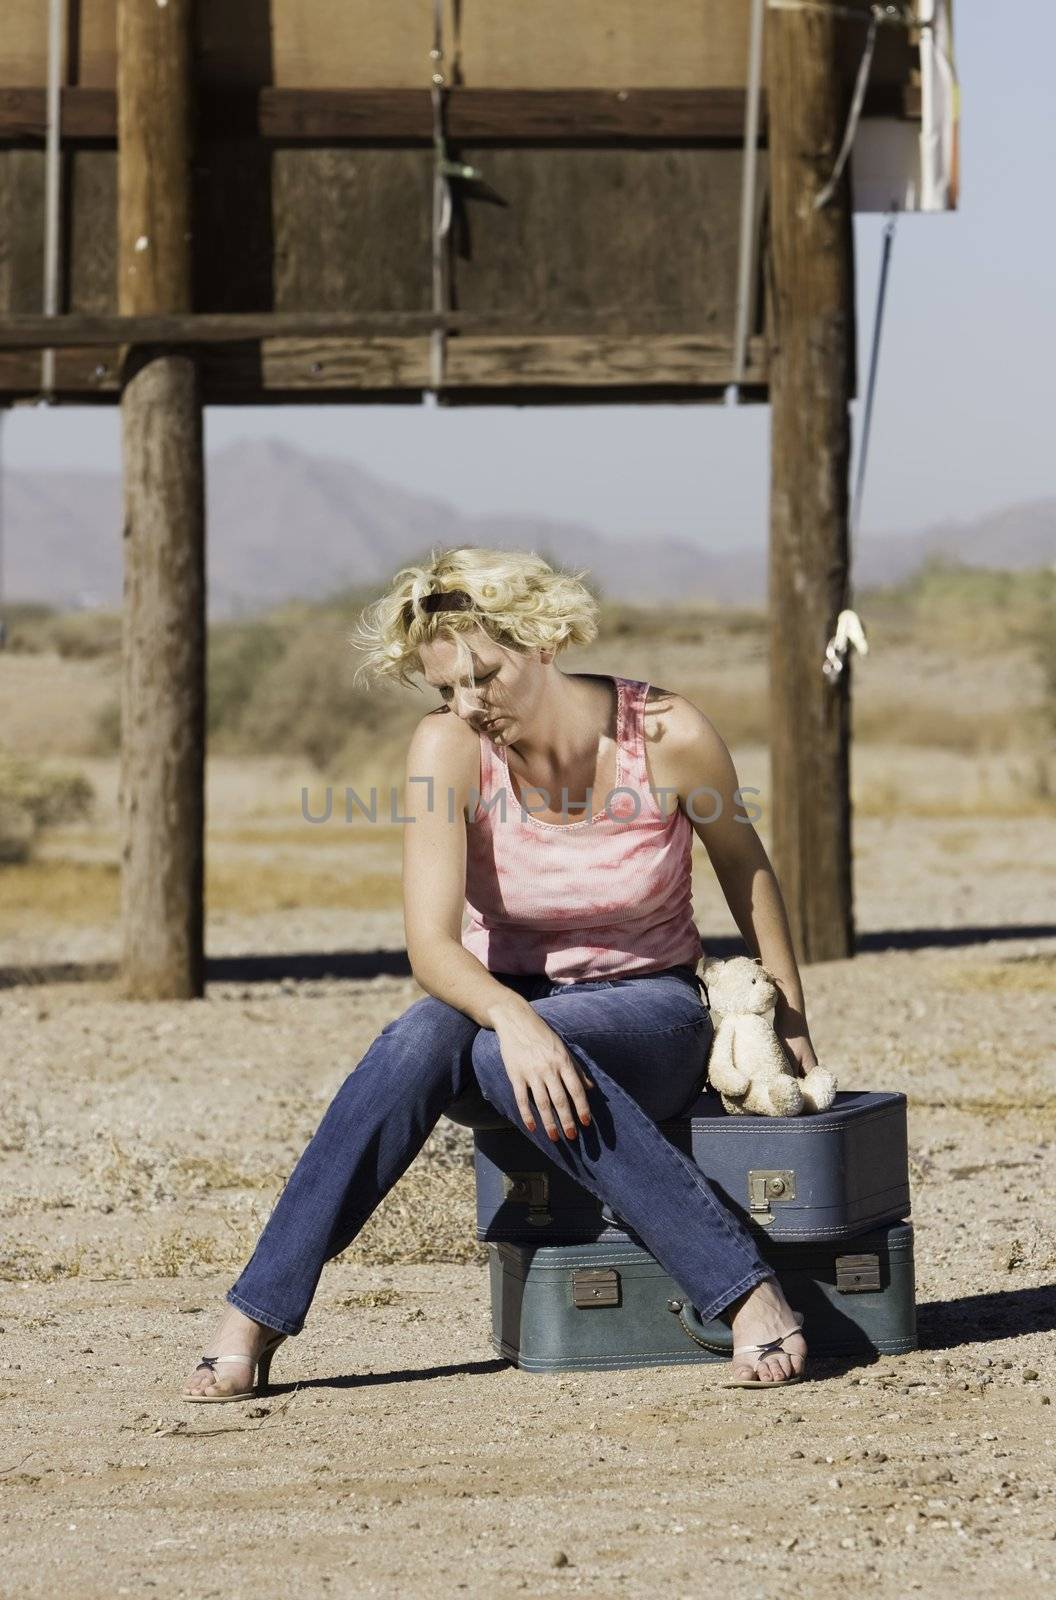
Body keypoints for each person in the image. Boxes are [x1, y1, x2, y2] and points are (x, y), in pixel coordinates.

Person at [183, 546, 821, 1400]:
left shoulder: (666, 736)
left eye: (485, 675)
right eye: (447, 687)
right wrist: (516, 1019)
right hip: (506, 1014)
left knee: (489, 1047)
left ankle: (746, 1291)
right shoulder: (447, 749)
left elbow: (749, 874)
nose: (468, 704)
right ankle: (257, 1312)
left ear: (544, 642)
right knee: (426, 1037)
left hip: (652, 1012)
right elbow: (432, 949)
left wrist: (793, 1035)